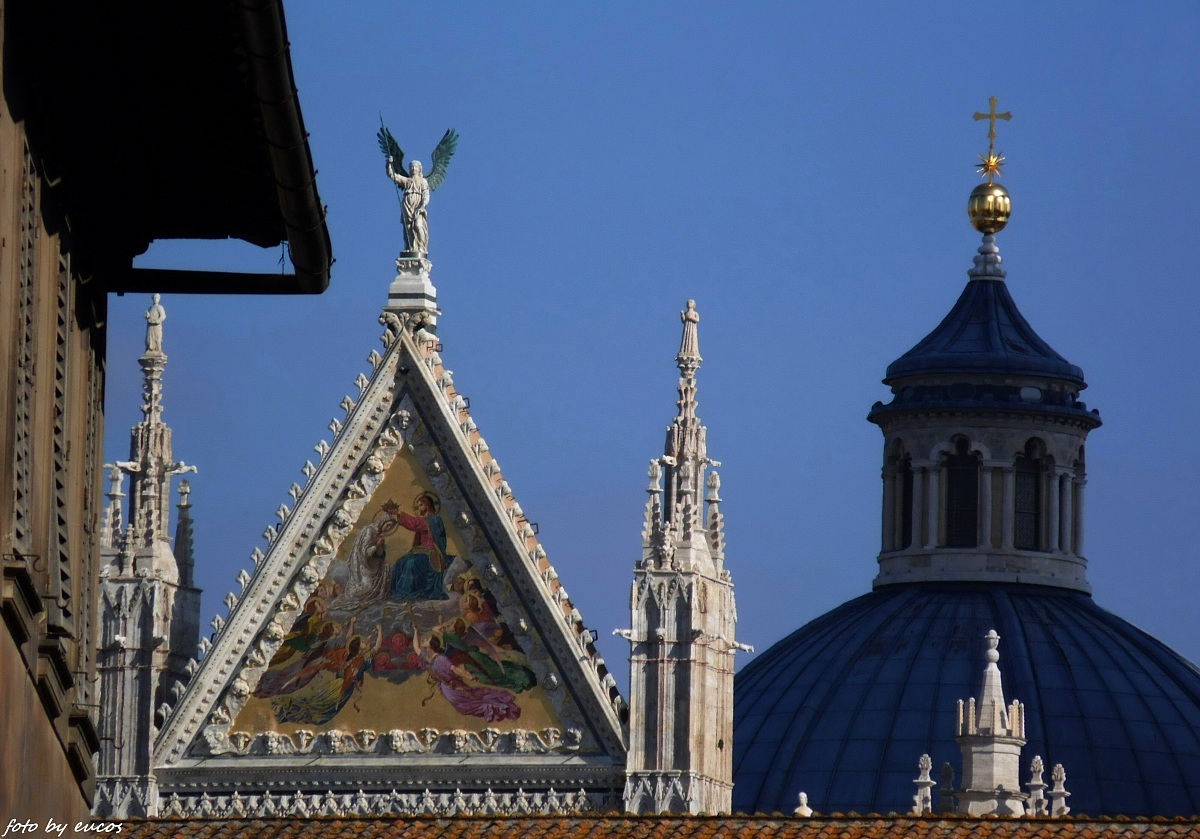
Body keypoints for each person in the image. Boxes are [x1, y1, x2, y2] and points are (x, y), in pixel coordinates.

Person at [389, 492, 451, 603]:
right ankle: (397, 591)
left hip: (432, 553)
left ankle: (405, 592)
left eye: (421, 505)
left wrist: (399, 512)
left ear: (427, 505)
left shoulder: (434, 520)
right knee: (401, 561)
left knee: (411, 562)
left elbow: (415, 524)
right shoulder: (425, 519)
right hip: (420, 551)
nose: (419, 507)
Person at [386, 158, 431, 254]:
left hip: (418, 205)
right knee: (408, 228)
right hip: (407, 205)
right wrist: (389, 164)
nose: (413, 168)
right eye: (411, 167)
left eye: (415, 167)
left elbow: (426, 194)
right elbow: (392, 175)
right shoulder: (407, 181)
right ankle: (410, 247)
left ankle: (422, 247)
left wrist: (423, 206)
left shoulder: (423, 181)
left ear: (420, 169)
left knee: (418, 225)